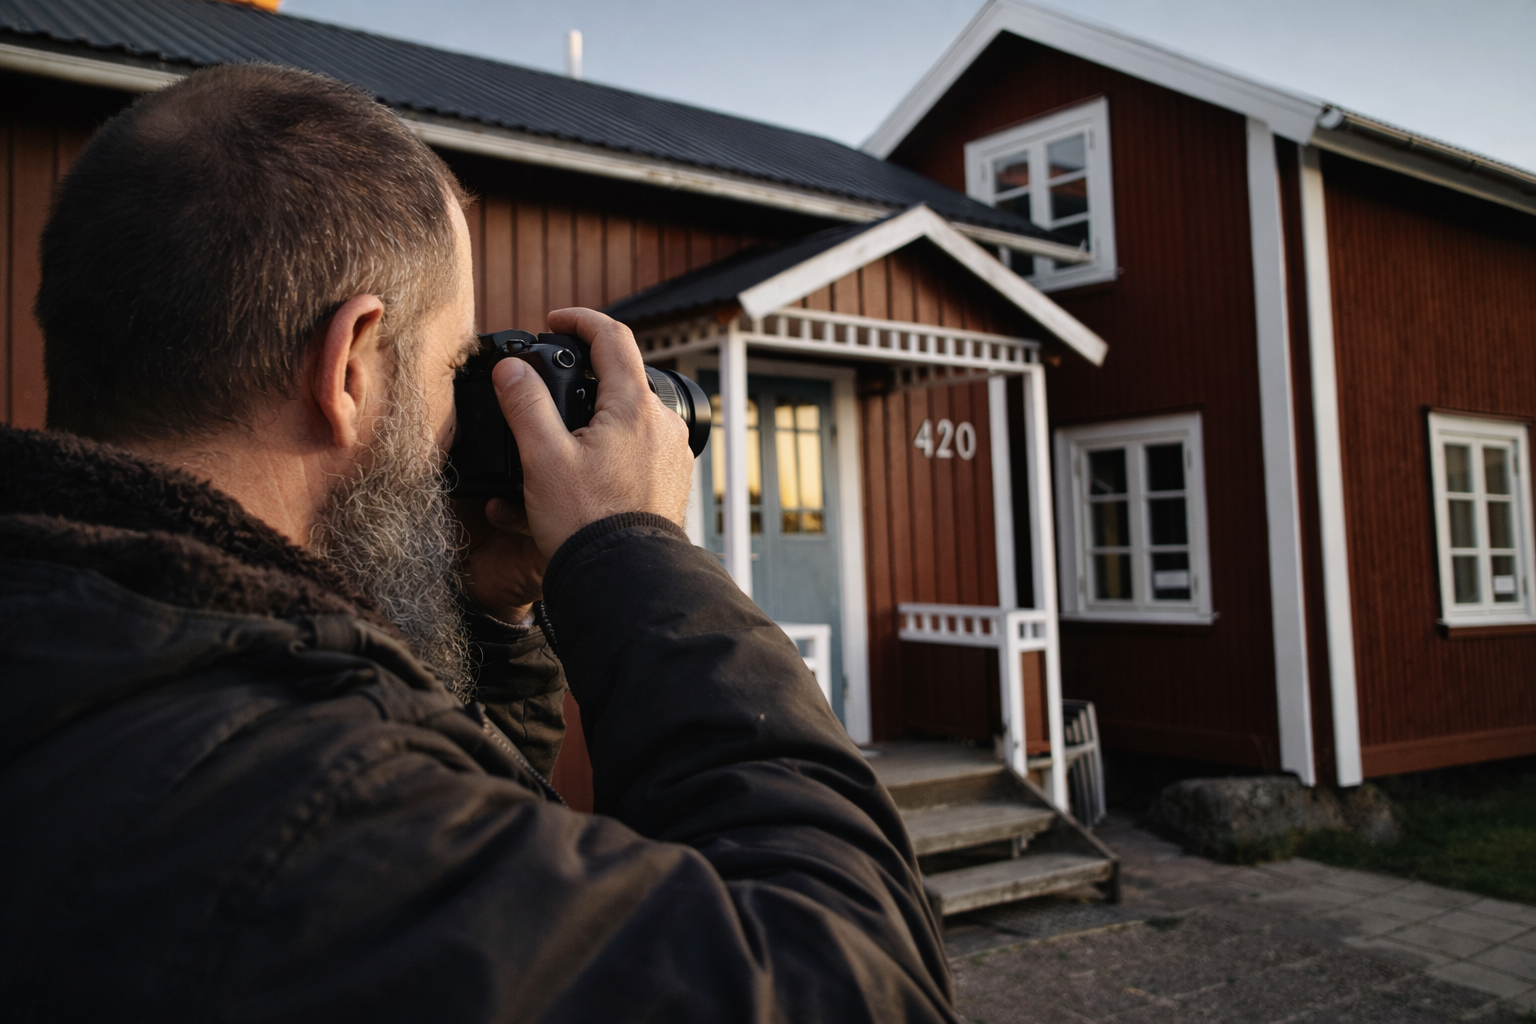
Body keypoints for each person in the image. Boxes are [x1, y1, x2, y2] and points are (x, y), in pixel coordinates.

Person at [0, 63, 956, 1021]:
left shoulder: (94, 655)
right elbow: (856, 980)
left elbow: (484, 822)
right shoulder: (308, 805)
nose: (461, 420)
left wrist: (491, 621)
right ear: (349, 369)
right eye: (454, 368)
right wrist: (634, 550)